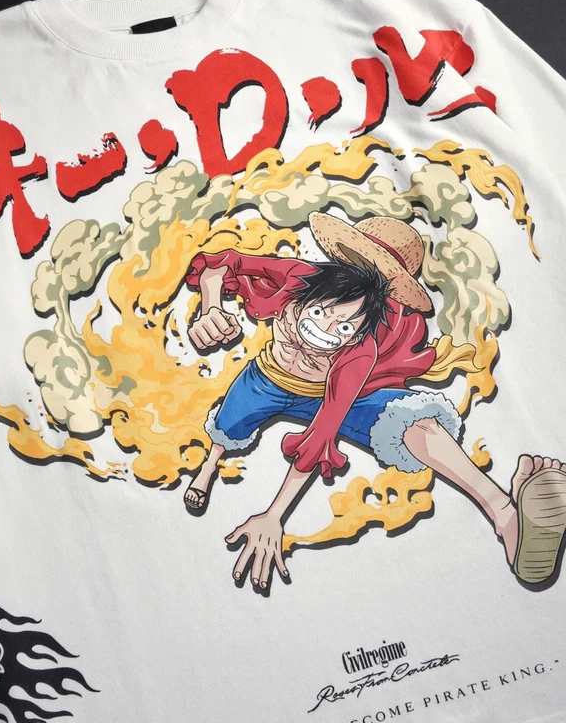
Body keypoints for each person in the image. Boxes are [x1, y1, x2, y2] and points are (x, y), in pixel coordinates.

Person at [184, 213, 566, 591]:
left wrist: (274, 515)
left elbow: (323, 431)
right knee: (228, 425)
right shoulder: (299, 275)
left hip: (326, 395)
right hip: (266, 379)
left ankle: (506, 516)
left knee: (416, 422)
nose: (328, 327)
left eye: (344, 326)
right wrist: (210, 308)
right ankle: (207, 469)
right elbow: (219, 265)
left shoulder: (361, 349)